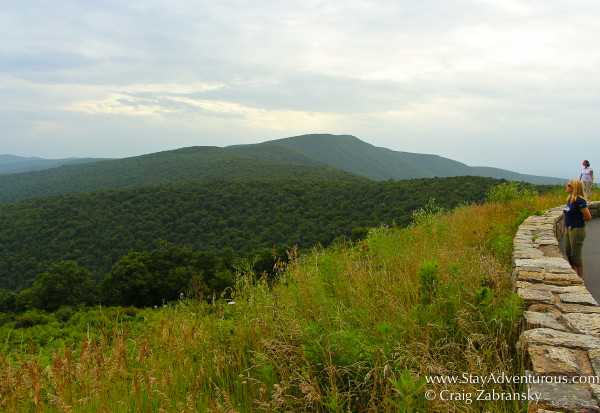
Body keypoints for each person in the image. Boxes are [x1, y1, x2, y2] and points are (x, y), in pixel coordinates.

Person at [564, 180, 592, 278]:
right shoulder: (570, 199)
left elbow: (588, 216)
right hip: (568, 228)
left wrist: (575, 223)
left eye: (568, 185)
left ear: (574, 188)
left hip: (576, 229)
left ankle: (580, 278)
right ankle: (573, 274)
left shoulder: (580, 201)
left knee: (576, 254)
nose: (566, 186)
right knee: (569, 252)